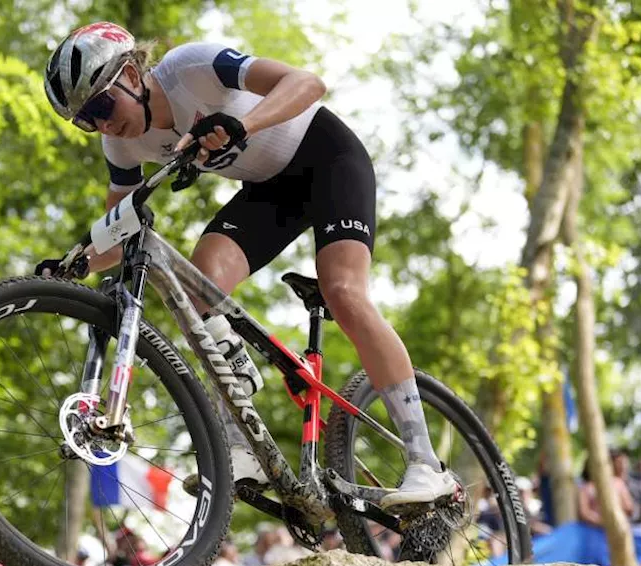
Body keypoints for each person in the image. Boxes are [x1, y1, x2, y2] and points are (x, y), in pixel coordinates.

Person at [41, 23, 457, 508]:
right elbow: (120, 227)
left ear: (132, 72)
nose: (103, 126)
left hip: (327, 158)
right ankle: (244, 447)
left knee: (343, 290)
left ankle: (425, 463)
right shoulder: (122, 145)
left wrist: (246, 123)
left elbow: (307, 84)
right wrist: (76, 262)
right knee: (196, 284)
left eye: (102, 106)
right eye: (86, 121)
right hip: (269, 192)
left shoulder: (192, 68)